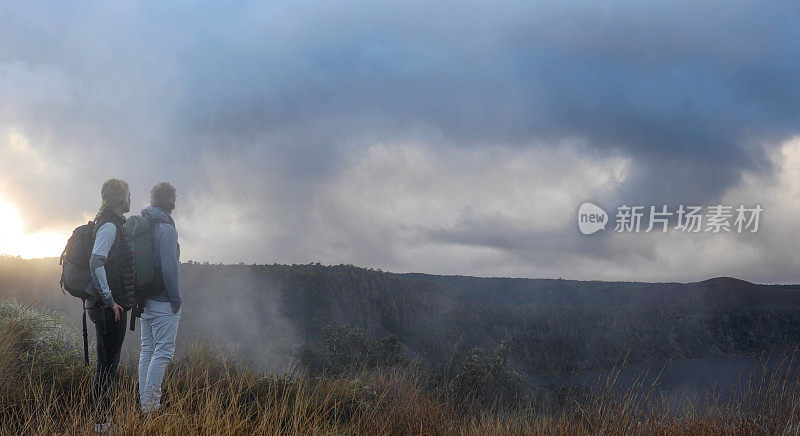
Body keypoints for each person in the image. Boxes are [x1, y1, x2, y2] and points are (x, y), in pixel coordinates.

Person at [88, 178, 135, 434]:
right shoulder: (109, 226)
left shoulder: (110, 223)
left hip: (111, 306)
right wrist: (109, 300)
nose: (131, 199)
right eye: (128, 194)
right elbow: (96, 262)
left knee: (107, 364)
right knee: (106, 366)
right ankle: (101, 425)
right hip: (109, 308)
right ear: (120, 198)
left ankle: (103, 422)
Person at [138, 182, 182, 413]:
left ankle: (145, 405)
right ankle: (151, 407)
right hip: (164, 300)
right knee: (162, 353)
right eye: (173, 199)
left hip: (144, 298)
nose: (174, 204)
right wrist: (177, 299)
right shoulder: (167, 229)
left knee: (147, 351)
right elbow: (169, 269)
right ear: (169, 202)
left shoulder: (144, 223)